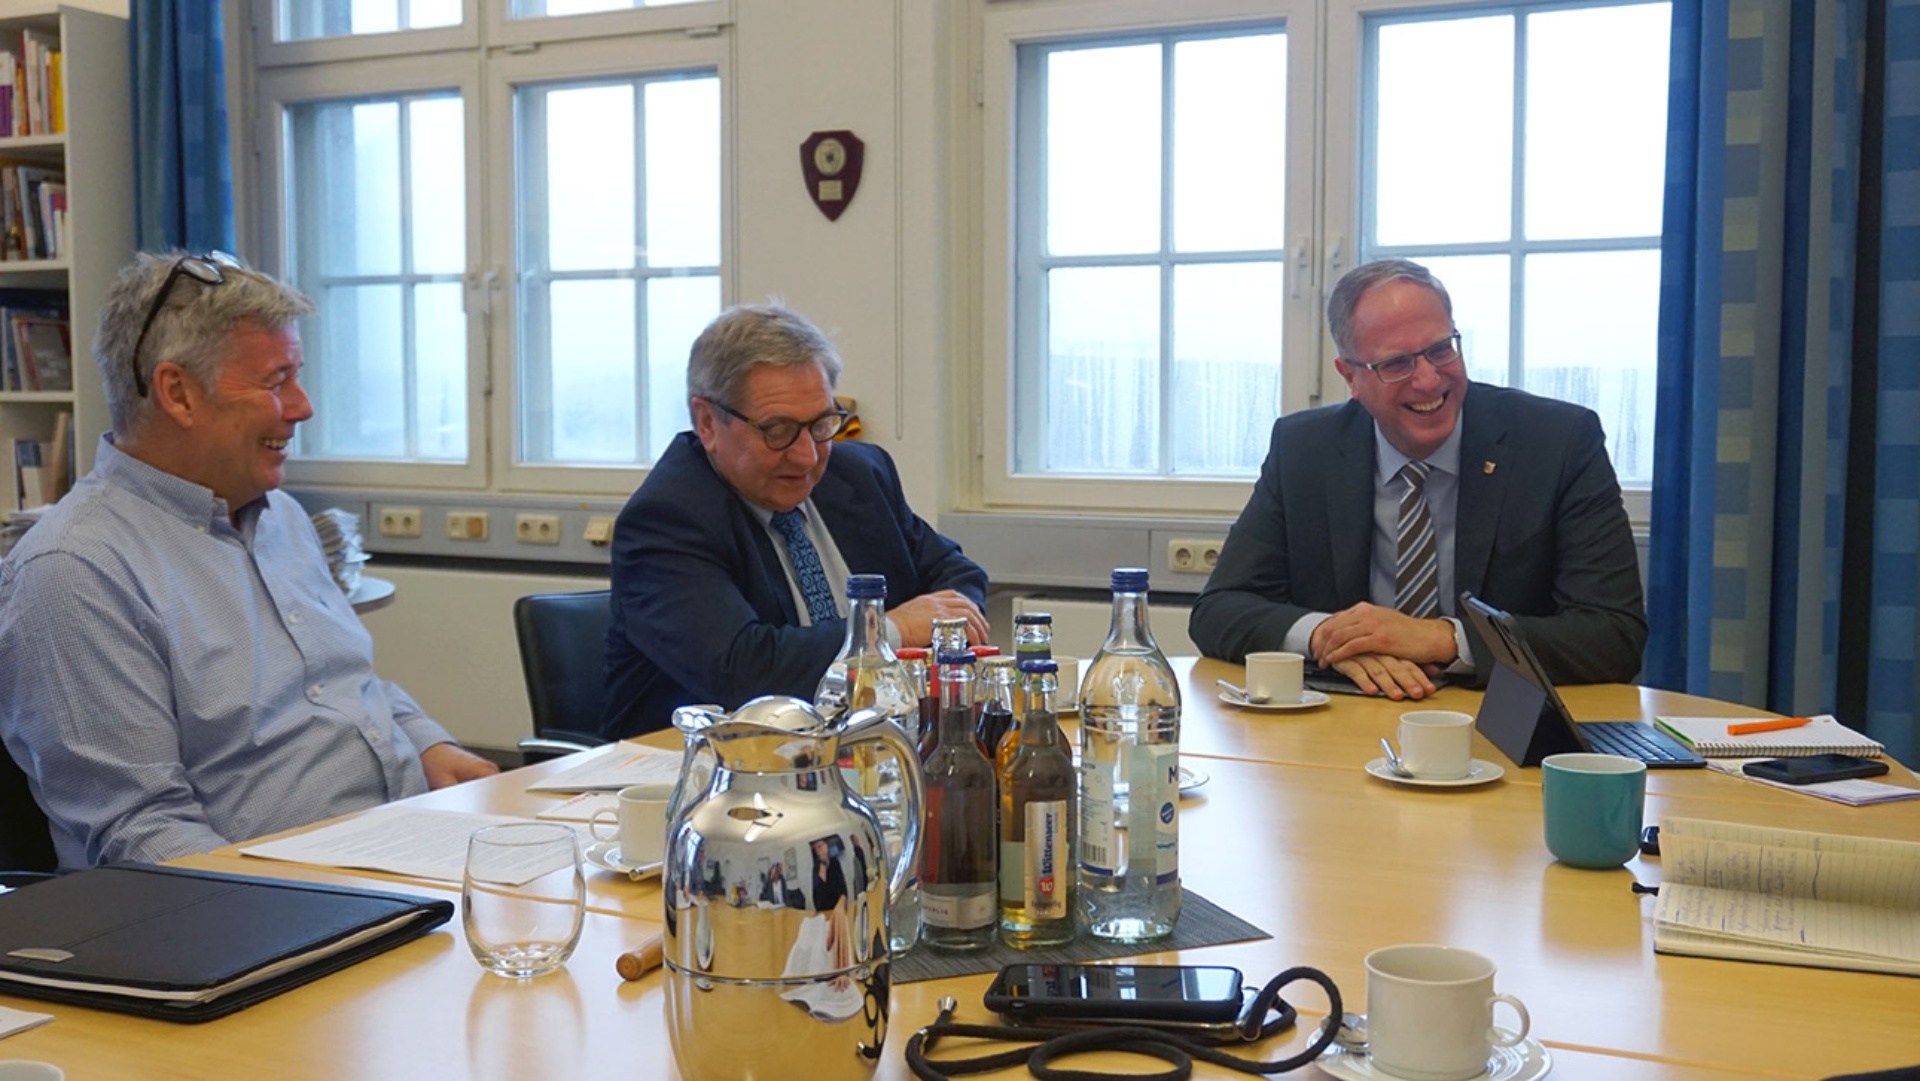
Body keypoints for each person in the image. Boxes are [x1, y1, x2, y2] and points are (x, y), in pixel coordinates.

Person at [0, 251, 498, 871]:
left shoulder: (281, 516)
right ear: (178, 393)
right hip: (263, 912)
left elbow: (348, 683)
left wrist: (429, 744)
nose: (303, 405)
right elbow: (141, 834)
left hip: (404, 852)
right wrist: (324, 914)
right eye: (276, 381)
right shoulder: (74, 571)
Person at [1189, 259, 1646, 700]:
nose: (1428, 381)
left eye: (1440, 350)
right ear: (1349, 376)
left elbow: (1614, 634)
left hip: (1503, 727)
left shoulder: (1557, 443)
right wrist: (1330, 637)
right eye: (1395, 364)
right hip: (1344, 721)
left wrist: (1439, 639)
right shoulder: (1304, 449)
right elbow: (1218, 610)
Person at [602, 302, 989, 738]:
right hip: (706, 775)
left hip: (866, 753)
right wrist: (891, 633)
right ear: (708, 423)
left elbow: (955, 574)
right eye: (778, 430)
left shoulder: (860, 475)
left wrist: (944, 624)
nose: (806, 455)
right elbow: (744, 673)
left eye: (822, 423)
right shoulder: (666, 519)